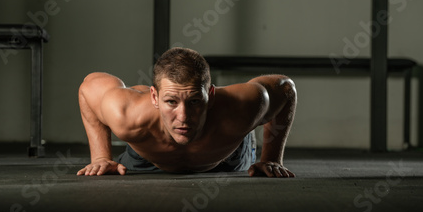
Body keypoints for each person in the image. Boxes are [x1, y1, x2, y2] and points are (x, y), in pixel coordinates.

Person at [77, 47, 297, 178]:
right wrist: (101, 157)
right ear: (154, 97)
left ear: (210, 95)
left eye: (194, 101)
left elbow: (286, 88)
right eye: (171, 101)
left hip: (225, 159)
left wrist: (271, 159)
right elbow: (88, 87)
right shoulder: (126, 113)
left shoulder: (241, 108)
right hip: (147, 159)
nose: (183, 117)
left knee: (240, 132)